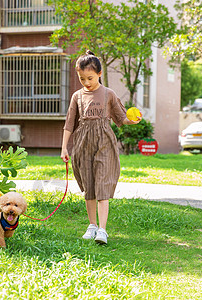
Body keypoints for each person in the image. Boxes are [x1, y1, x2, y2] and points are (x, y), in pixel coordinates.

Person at [61, 50, 141, 244]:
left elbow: (121, 118)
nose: (86, 82)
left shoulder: (108, 94)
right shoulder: (77, 96)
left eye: (89, 78)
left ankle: (102, 230)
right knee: (89, 185)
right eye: (82, 79)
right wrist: (64, 148)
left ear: (99, 74)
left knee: (103, 184)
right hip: (83, 143)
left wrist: (133, 121)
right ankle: (92, 225)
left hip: (104, 142)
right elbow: (70, 123)